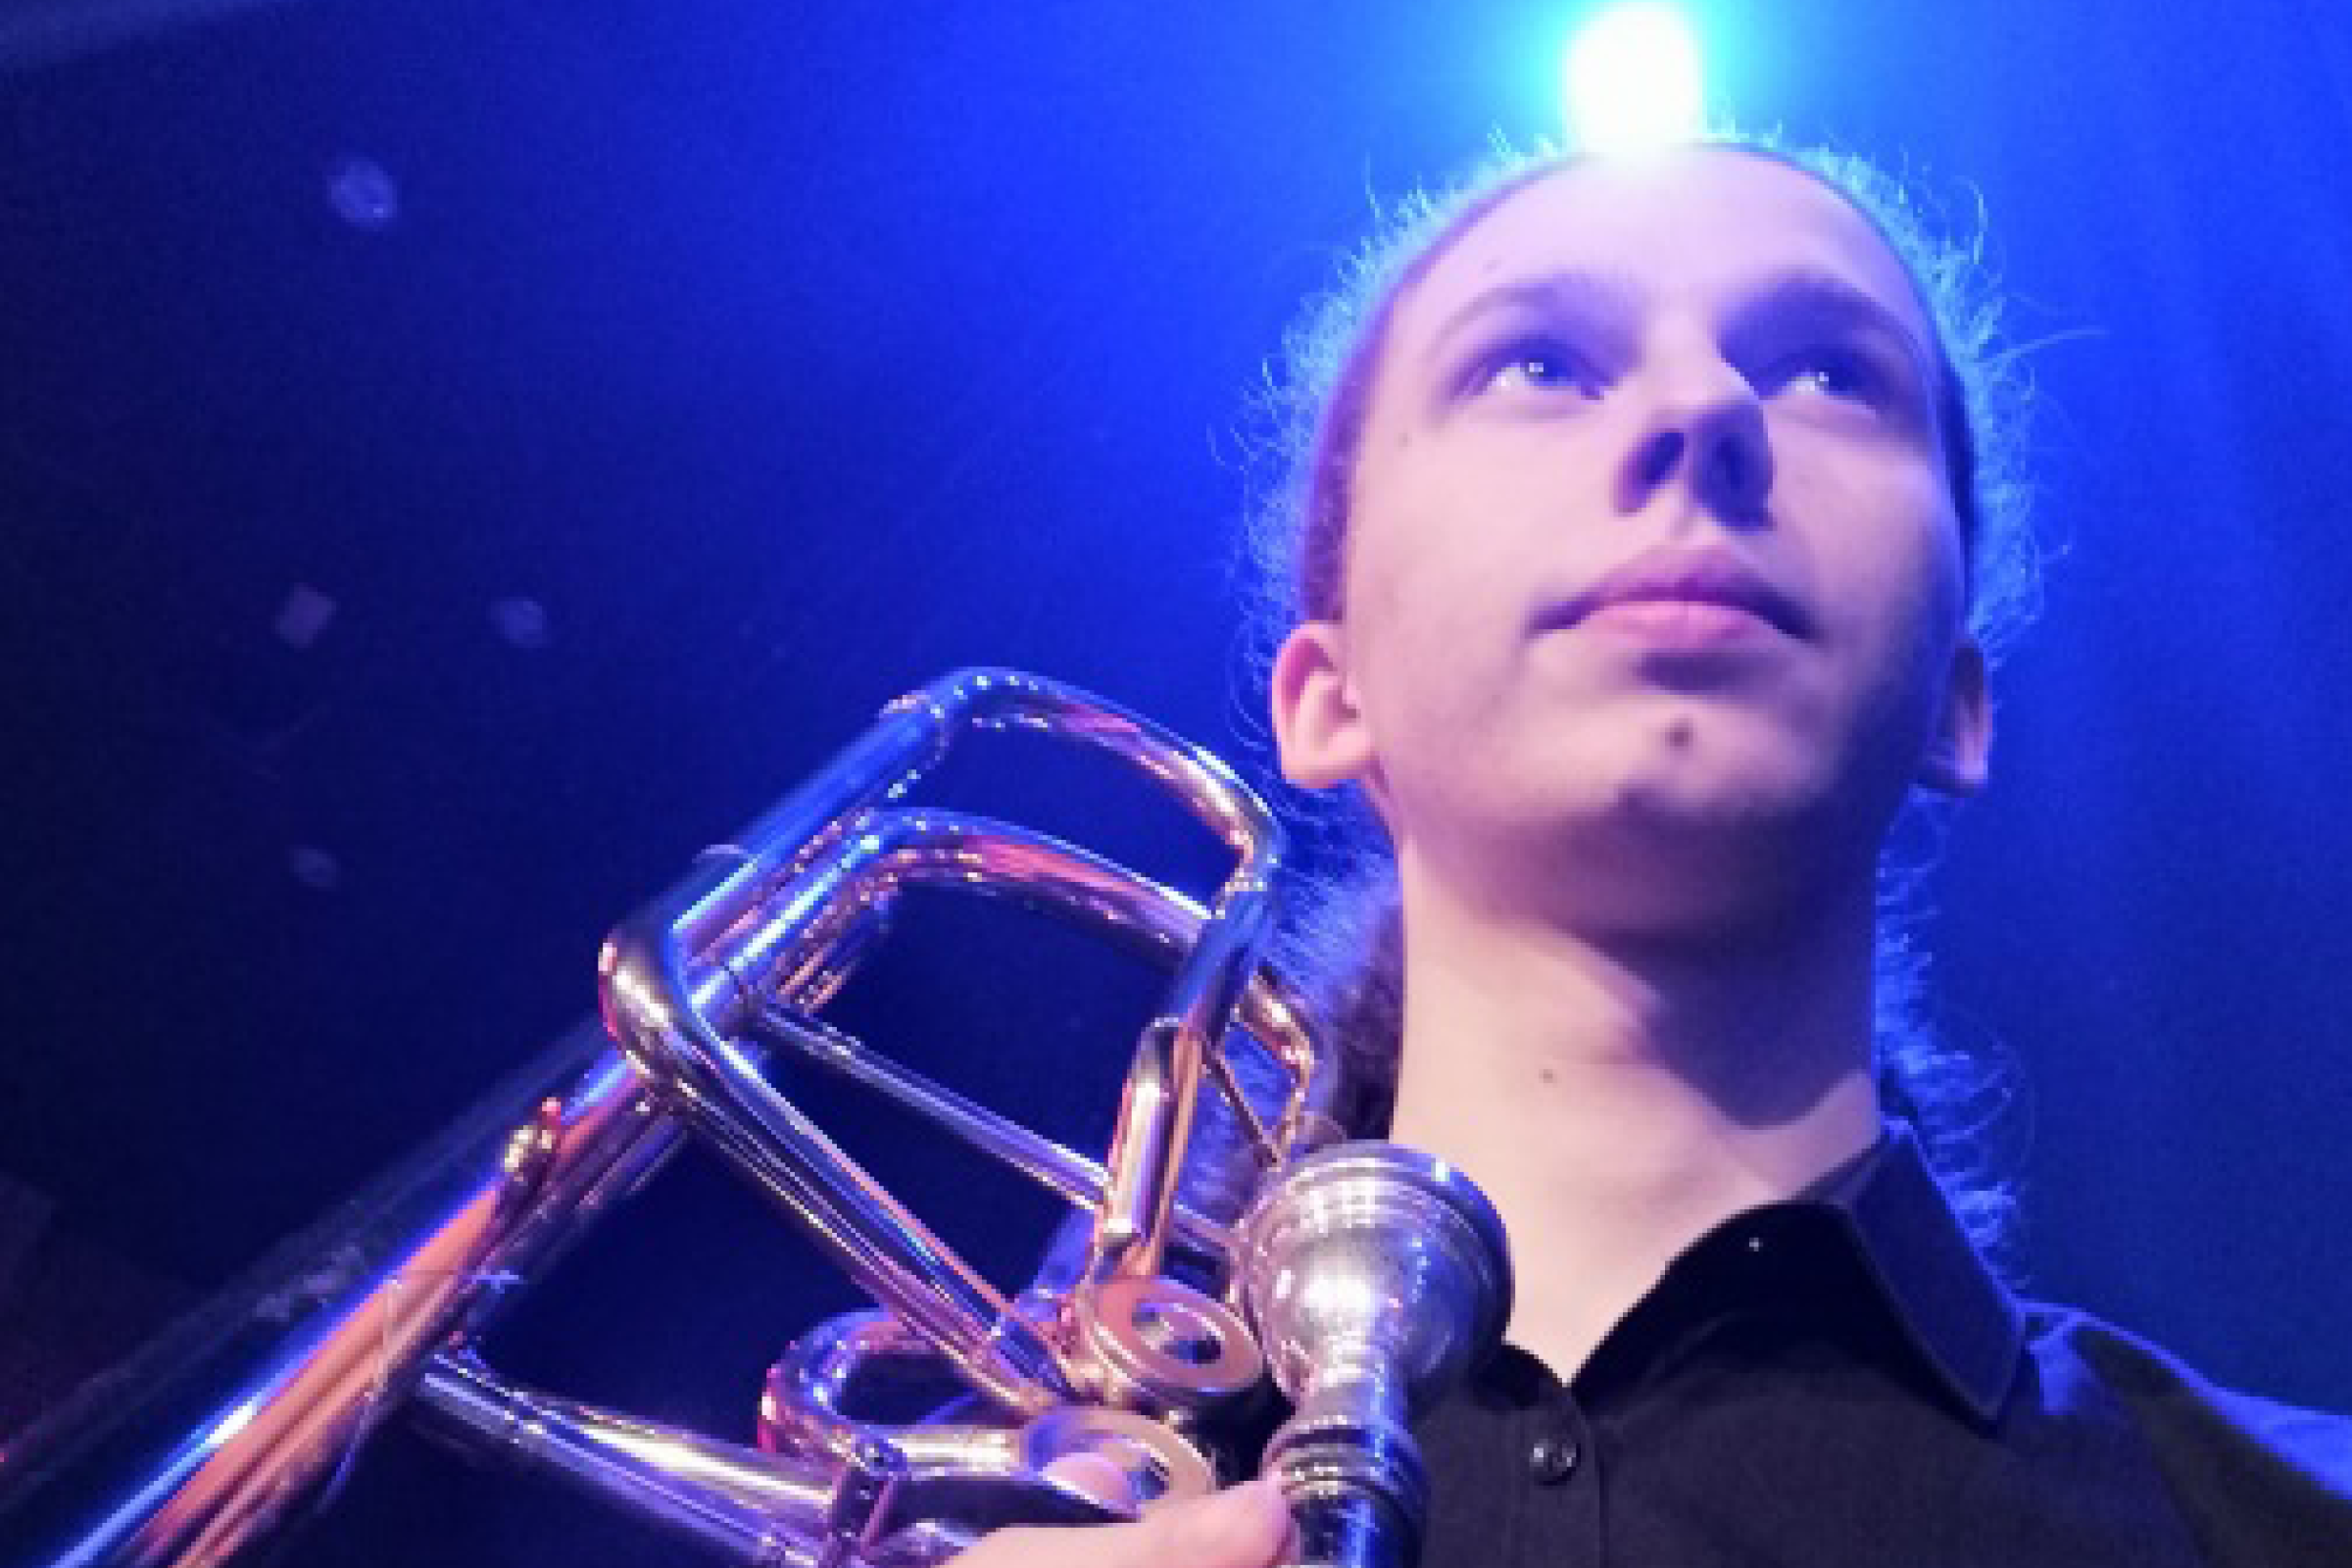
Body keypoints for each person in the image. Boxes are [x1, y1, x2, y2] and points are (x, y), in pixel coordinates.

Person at [951, 135, 2352, 1566]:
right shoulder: (975, 1512)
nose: (1702, 407)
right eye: (1538, 364)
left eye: (1829, 373)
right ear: (1331, 692)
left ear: (1955, 706)